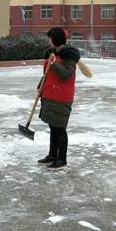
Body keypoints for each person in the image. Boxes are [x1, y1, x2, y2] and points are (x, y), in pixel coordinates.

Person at [37, 27, 81, 170]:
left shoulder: (69, 56)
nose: (48, 40)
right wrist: (40, 87)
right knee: (53, 127)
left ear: (55, 39)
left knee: (60, 128)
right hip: (50, 94)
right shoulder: (52, 53)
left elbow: (66, 74)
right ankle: (52, 155)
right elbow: (47, 74)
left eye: (50, 38)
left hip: (62, 97)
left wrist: (53, 63)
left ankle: (61, 159)